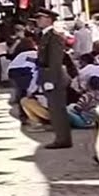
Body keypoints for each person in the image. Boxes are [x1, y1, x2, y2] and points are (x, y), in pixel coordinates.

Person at [35, 8, 72, 149]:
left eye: (40, 18)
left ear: (49, 19)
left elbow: (55, 60)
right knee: (54, 108)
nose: (38, 21)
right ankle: (61, 138)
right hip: (47, 74)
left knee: (57, 109)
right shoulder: (45, 35)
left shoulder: (54, 36)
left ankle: (62, 139)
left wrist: (51, 79)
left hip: (53, 76)